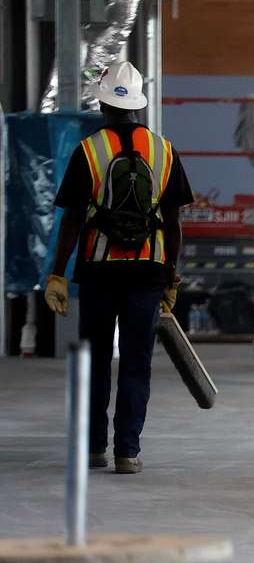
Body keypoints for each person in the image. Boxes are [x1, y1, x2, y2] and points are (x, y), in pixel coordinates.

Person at [43, 61, 195, 474]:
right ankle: (127, 452)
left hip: (99, 271)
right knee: (135, 363)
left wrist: (57, 273)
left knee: (94, 362)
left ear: (103, 103)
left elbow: (72, 219)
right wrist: (171, 274)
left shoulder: (89, 150)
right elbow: (173, 222)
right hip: (147, 272)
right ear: (138, 105)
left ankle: (94, 449)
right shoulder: (164, 151)